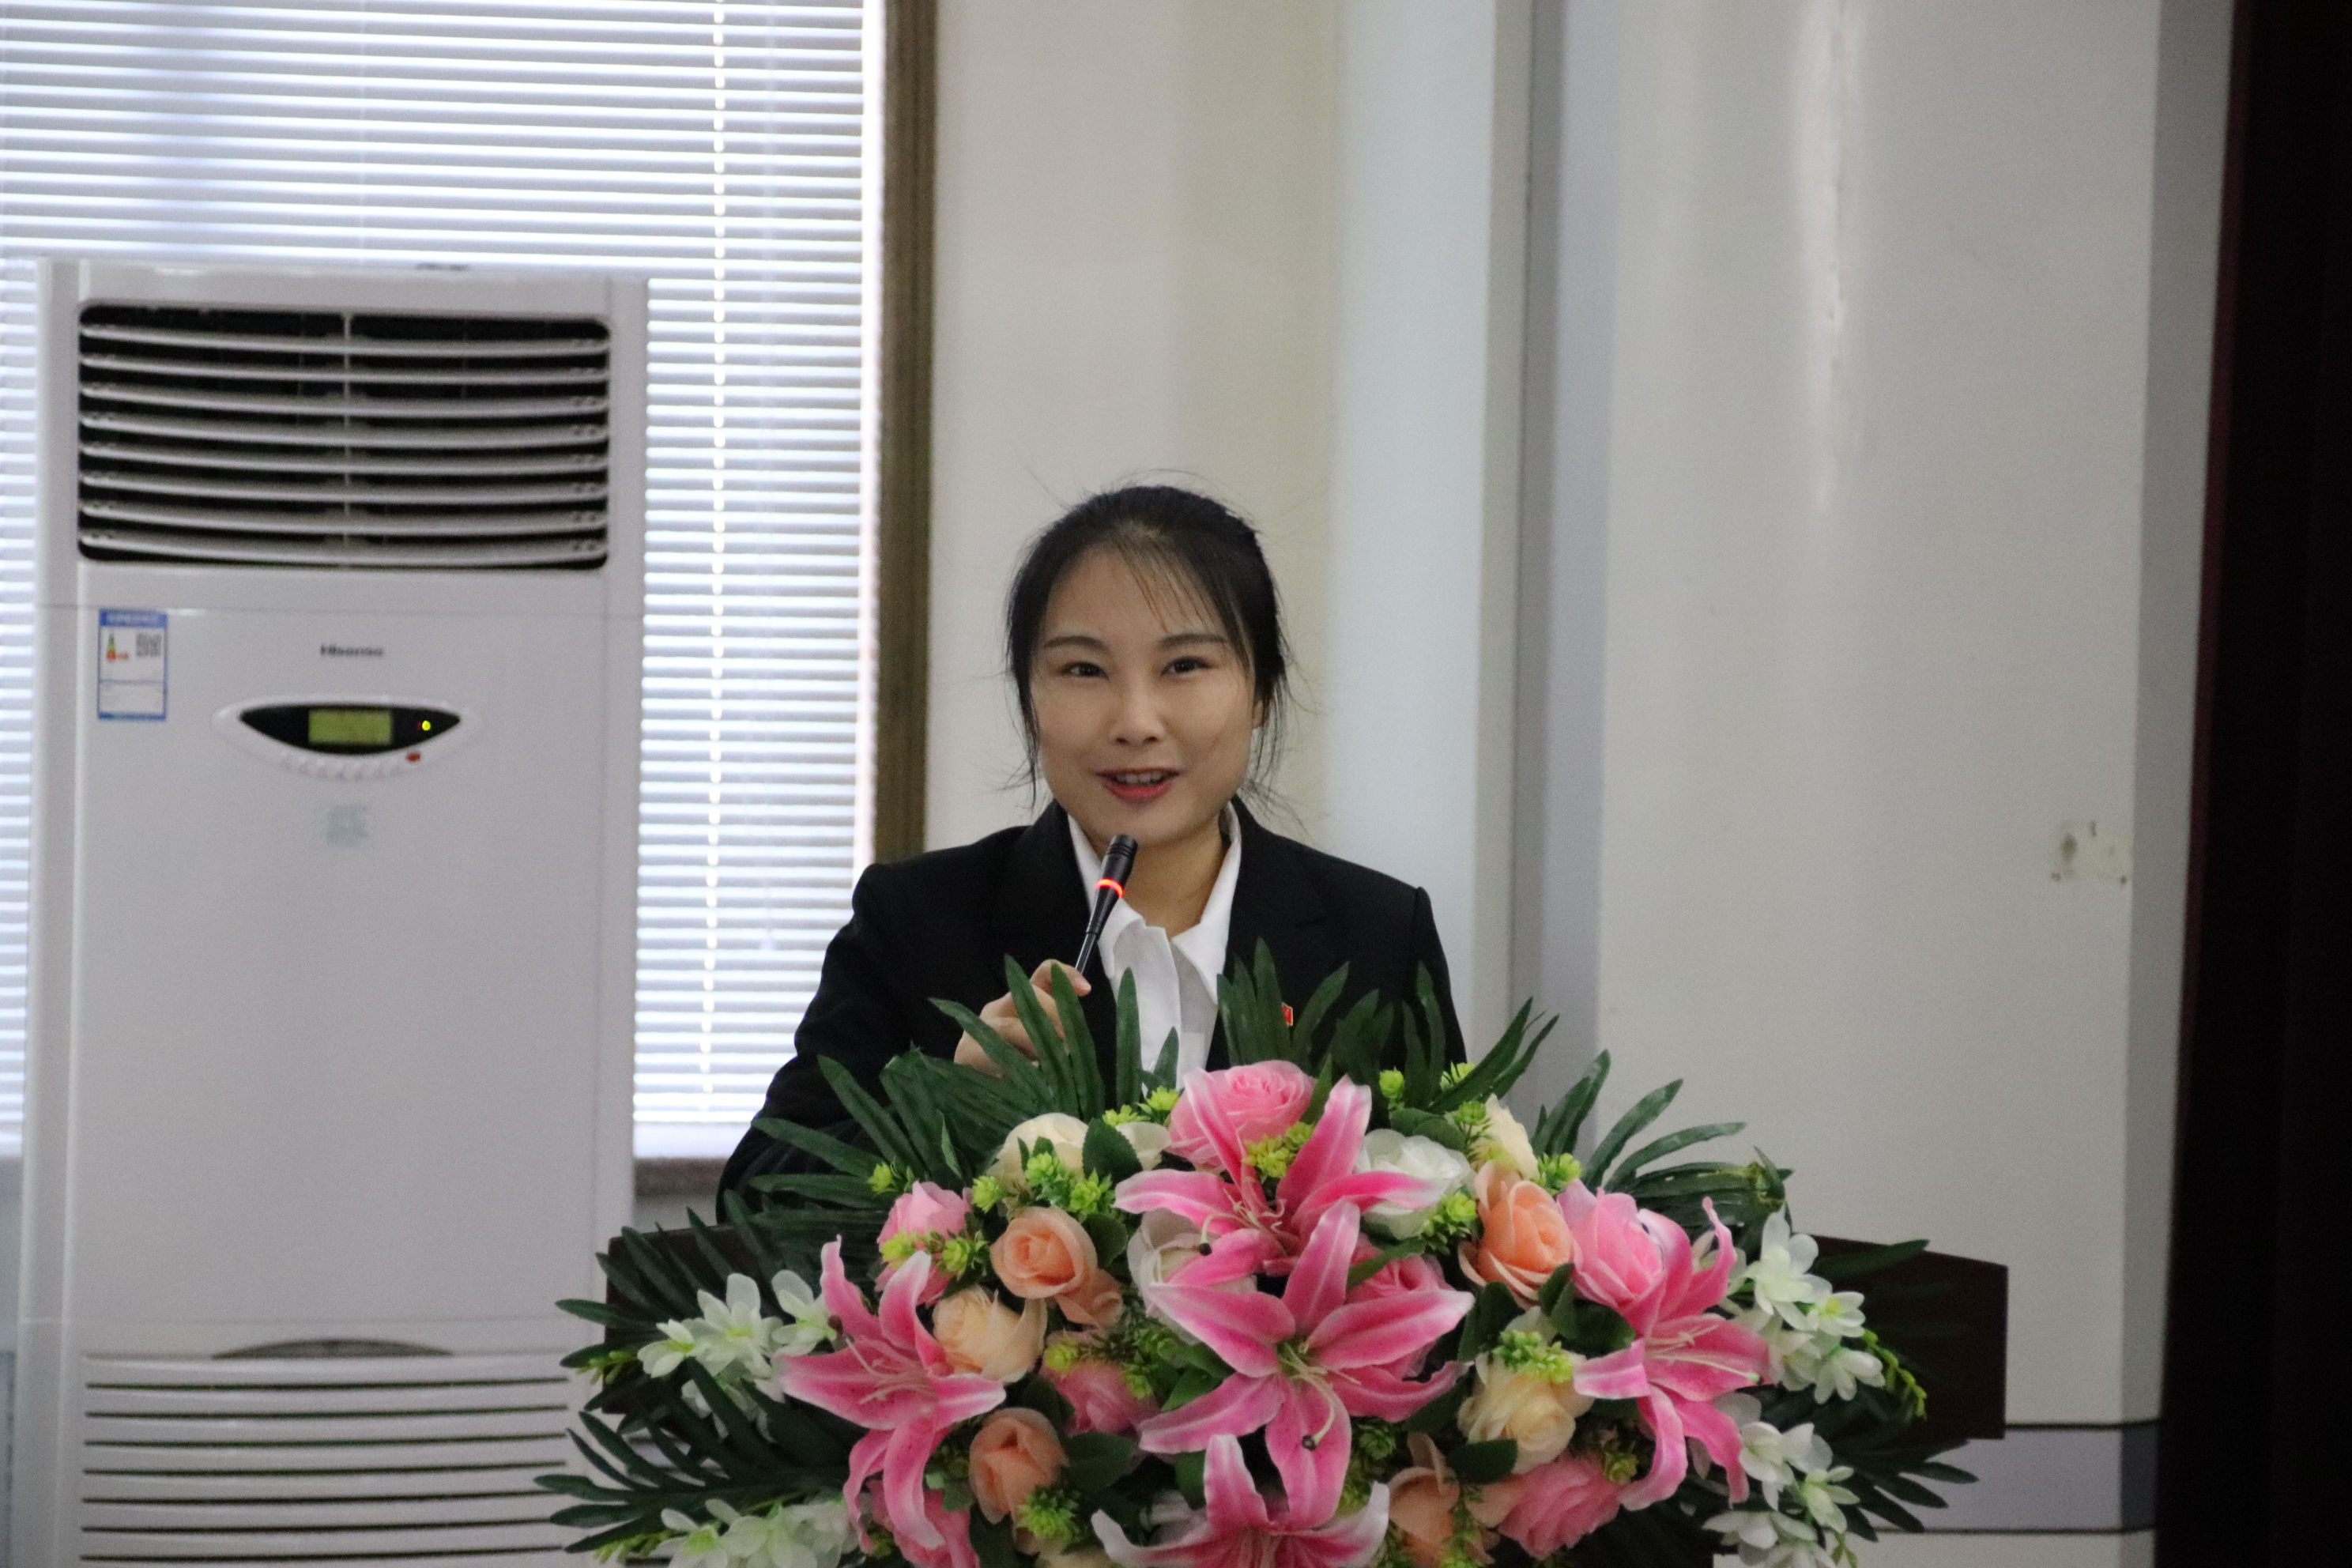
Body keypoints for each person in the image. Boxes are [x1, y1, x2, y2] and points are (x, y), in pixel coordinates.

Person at [719, 484, 1463, 1196]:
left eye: (1184, 666)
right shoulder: (916, 919)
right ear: (1029, 696)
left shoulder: (1376, 935)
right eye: (1083, 669)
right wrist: (946, 1103)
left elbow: (1452, 1206)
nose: (1135, 722)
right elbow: (762, 1194)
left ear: (1261, 689)